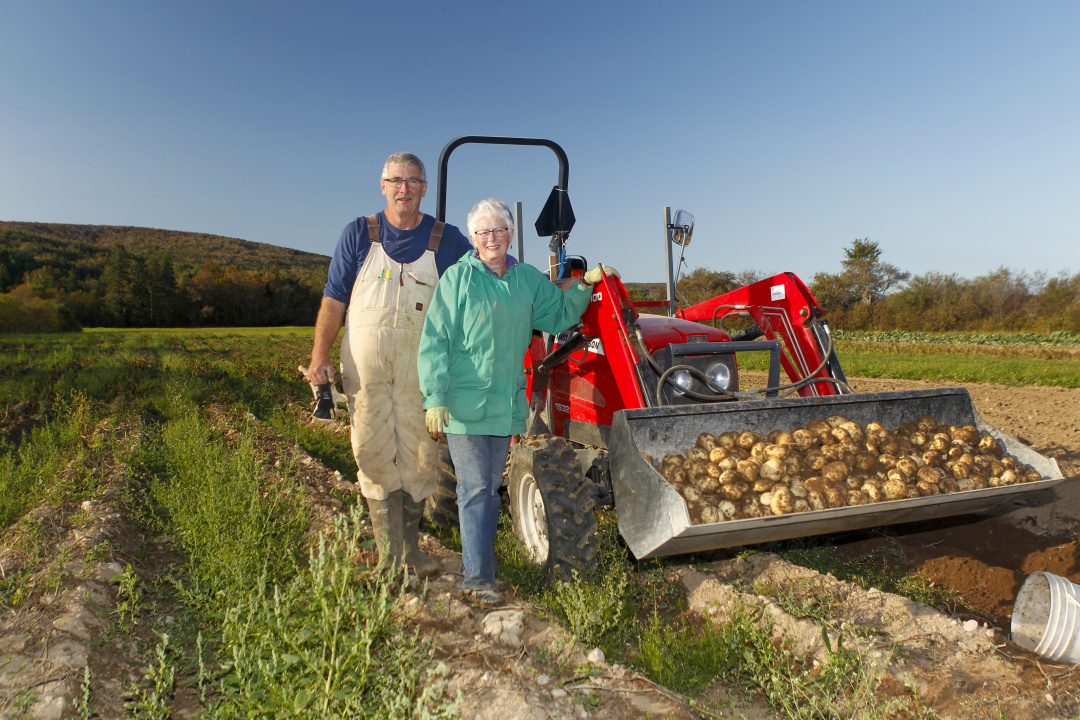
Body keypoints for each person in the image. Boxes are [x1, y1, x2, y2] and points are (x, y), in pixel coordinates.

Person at [416, 198, 618, 603]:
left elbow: (559, 315)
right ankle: (478, 580)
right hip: (463, 406)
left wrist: (584, 284)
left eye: (499, 230)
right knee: (474, 489)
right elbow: (436, 339)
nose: (492, 238)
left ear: (510, 235)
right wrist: (435, 396)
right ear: (473, 238)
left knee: (490, 488)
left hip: (506, 405)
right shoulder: (458, 280)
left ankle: (482, 567)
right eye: (483, 232)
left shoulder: (525, 279)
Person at [302, 152, 473, 577]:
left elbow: (480, 285)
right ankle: (387, 557)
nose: (404, 189)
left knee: (419, 457)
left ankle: (410, 551)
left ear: (424, 188)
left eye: (413, 181)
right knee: (372, 454)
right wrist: (319, 357)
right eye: (396, 180)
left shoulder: (447, 239)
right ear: (383, 185)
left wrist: (544, 285)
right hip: (366, 368)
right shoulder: (360, 234)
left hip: (422, 370)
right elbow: (334, 298)